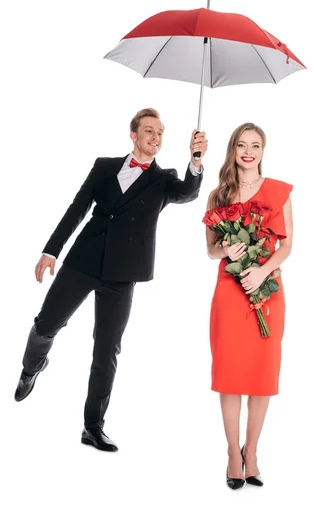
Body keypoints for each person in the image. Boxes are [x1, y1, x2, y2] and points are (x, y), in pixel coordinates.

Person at [15, 108, 207, 452]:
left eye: (161, 133)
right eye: (149, 131)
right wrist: (51, 251)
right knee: (46, 324)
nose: (156, 137)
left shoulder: (165, 179)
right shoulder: (104, 166)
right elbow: (76, 209)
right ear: (133, 135)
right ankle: (32, 367)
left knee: (107, 349)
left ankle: (93, 426)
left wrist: (195, 161)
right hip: (83, 261)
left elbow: (188, 193)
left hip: (123, 273)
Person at [204, 122, 293, 489]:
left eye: (255, 145)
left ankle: (252, 452)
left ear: (262, 150)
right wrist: (225, 250)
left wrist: (262, 271)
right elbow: (210, 250)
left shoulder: (278, 192)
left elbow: (287, 245)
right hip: (230, 289)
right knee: (229, 372)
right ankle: (231, 453)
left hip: (267, 289)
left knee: (261, 374)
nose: (248, 151)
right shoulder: (218, 196)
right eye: (242, 144)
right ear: (233, 149)